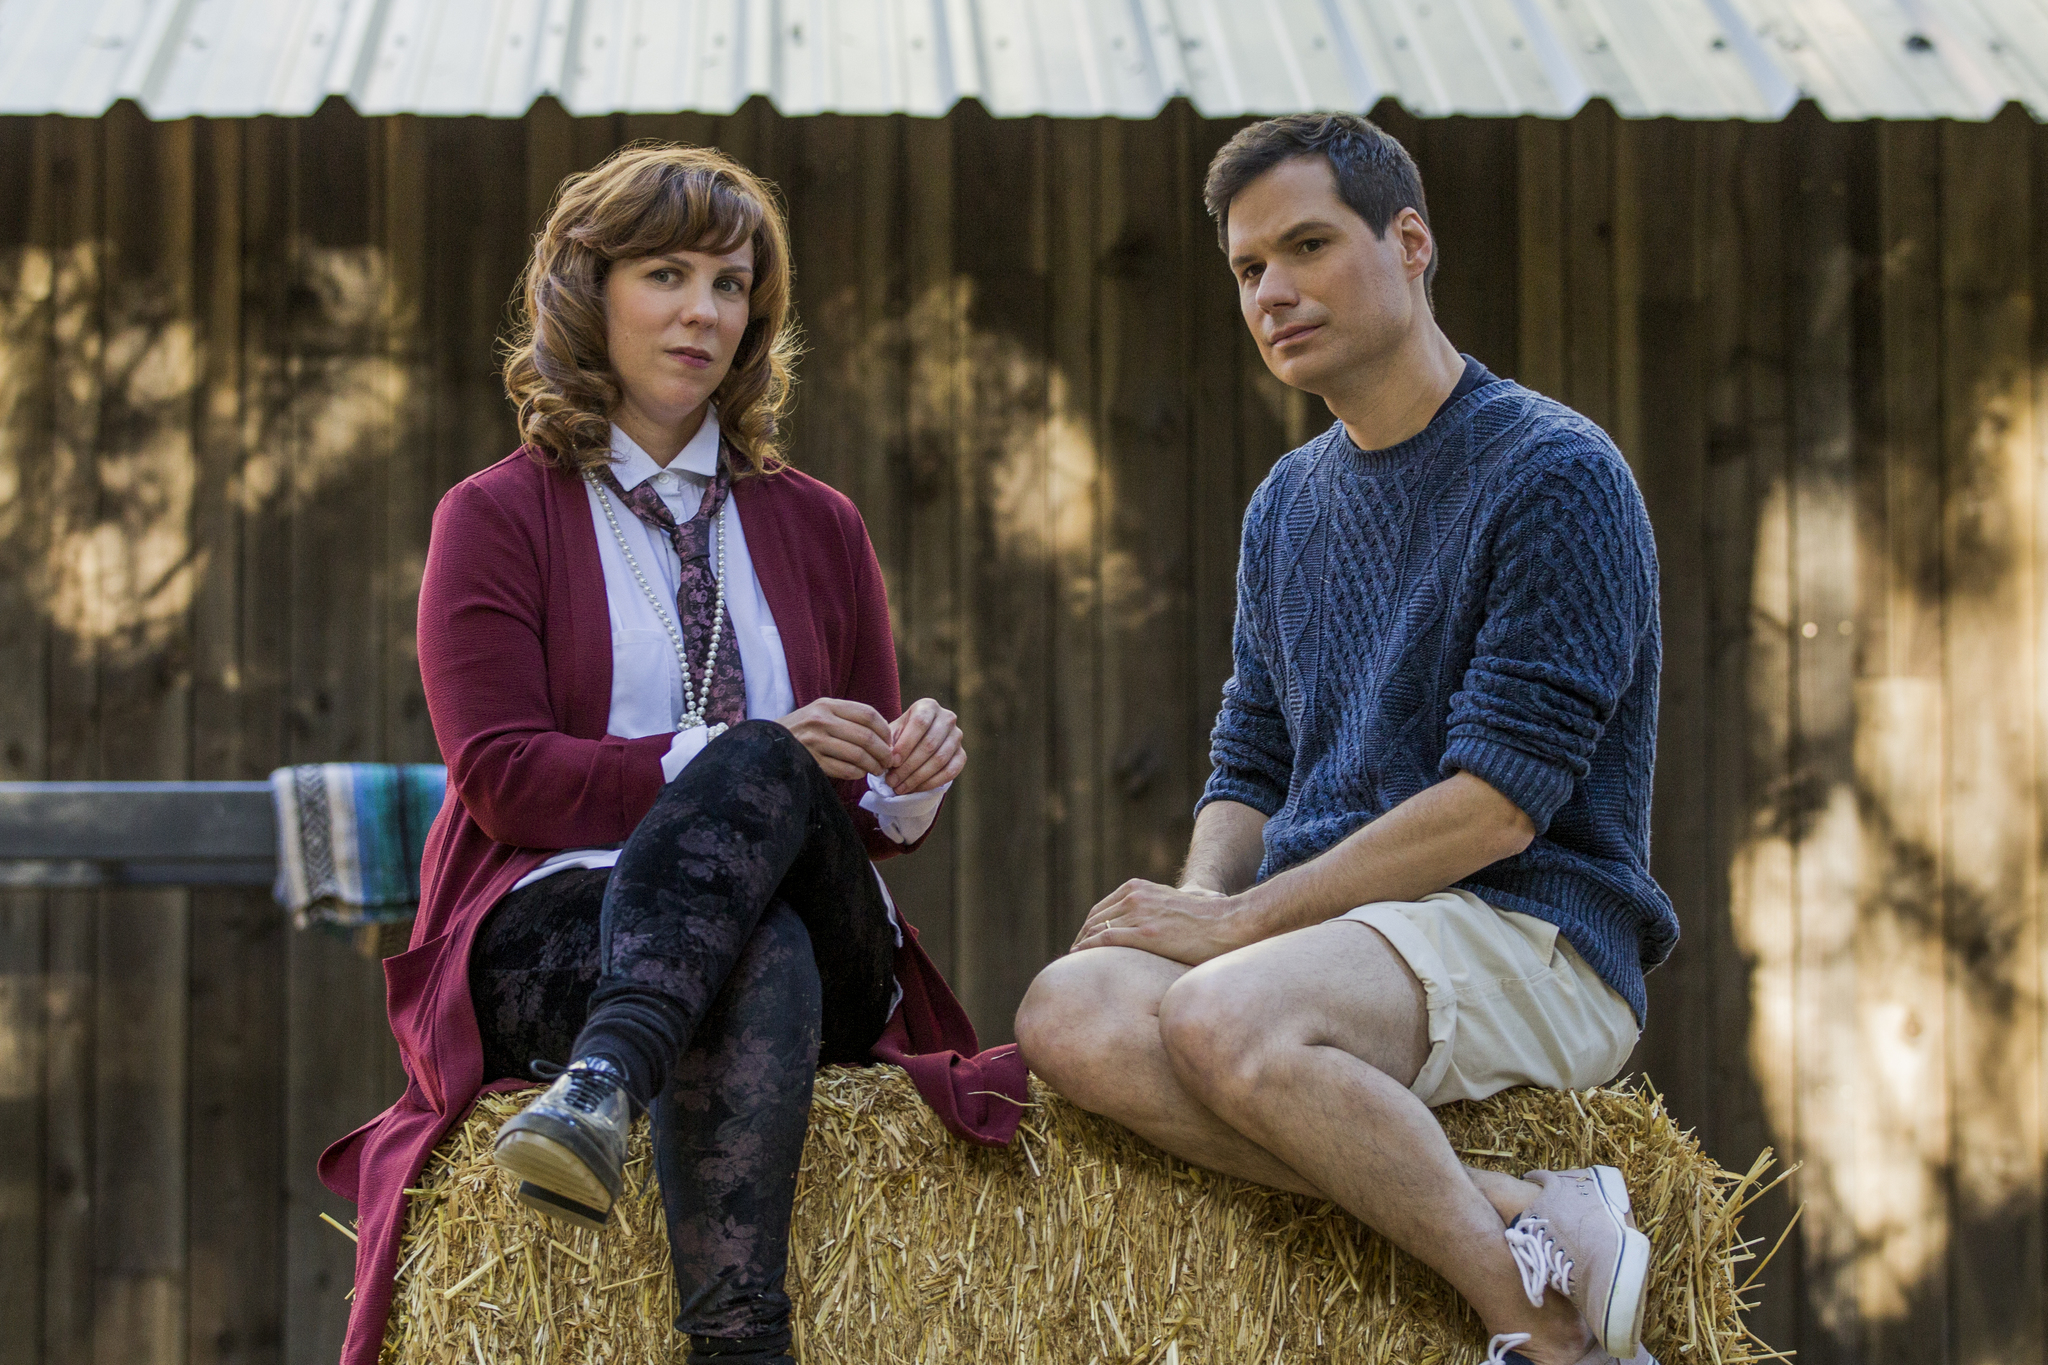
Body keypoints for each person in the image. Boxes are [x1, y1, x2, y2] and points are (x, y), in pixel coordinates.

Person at [316, 143, 1026, 1365]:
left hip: (819, 938)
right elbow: (499, 776)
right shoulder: (495, 516)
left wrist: (906, 783)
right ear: (587, 292)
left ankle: (600, 1087)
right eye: (667, 274)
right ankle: (738, 1342)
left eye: (732, 284)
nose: (704, 312)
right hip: (561, 926)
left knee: (766, 794)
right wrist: (721, 752)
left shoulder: (820, 523)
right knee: (759, 934)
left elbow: (840, 804)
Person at [1015, 114, 1677, 1365]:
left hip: (1531, 923)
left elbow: (1498, 805)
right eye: (1248, 269)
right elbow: (1249, 758)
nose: (1273, 292)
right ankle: (1525, 1211)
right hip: (1329, 945)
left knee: (1223, 1022)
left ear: (1409, 242)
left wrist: (1237, 933)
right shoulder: (1286, 504)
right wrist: (1195, 900)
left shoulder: (1552, 473)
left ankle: (1535, 1331)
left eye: (1307, 246)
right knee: (1069, 1010)